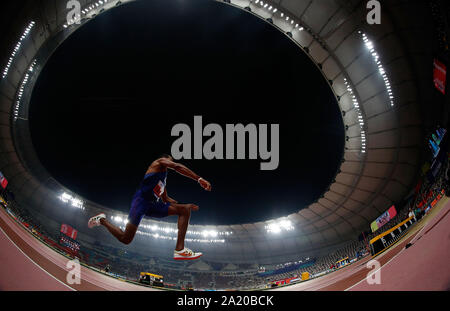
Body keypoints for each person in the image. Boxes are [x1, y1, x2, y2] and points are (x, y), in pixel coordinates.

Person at [88, 154, 212, 260]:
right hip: (140, 202)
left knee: (184, 210)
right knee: (126, 239)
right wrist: (198, 178)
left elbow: (166, 200)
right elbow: (177, 167)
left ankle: (179, 249)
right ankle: (102, 220)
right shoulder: (158, 162)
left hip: (152, 206)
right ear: (164, 159)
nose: (171, 162)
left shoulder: (163, 181)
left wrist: (185, 205)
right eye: (170, 160)